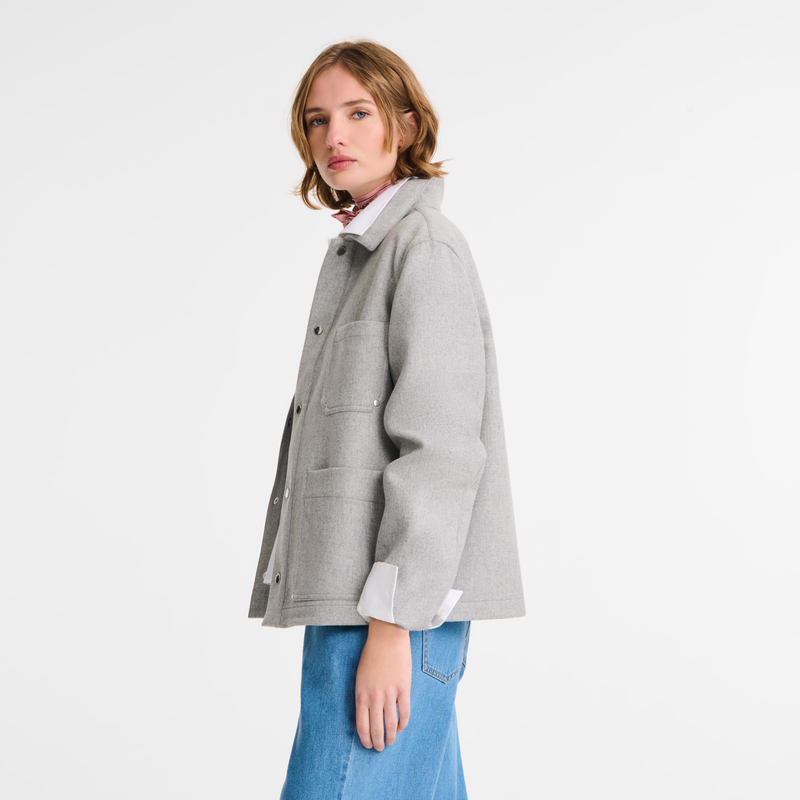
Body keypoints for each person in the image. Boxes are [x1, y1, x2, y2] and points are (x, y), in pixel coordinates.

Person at [248, 40, 525, 800]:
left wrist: (393, 625)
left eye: (358, 113)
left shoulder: (421, 248)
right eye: (317, 120)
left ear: (405, 126)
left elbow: (441, 451)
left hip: (388, 614)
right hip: (369, 606)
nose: (333, 135)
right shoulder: (368, 253)